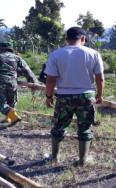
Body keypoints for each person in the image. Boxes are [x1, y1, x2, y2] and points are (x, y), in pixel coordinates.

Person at [44, 26, 105, 166]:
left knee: (59, 126)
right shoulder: (94, 54)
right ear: (83, 39)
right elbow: (100, 78)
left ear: (67, 39)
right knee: (85, 127)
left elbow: (50, 80)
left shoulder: (56, 54)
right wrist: (100, 94)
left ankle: (55, 157)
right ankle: (83, 160)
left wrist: (49, 96)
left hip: (64, 96)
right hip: (86, 96)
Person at [0, 42, 38, 126]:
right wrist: (33, 82)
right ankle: (9, 118)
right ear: (11, 49)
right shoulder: (16, 57)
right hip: (12, 82)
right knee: (12, 101)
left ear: (0, 48)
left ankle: (14, 117)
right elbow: (27, 71)